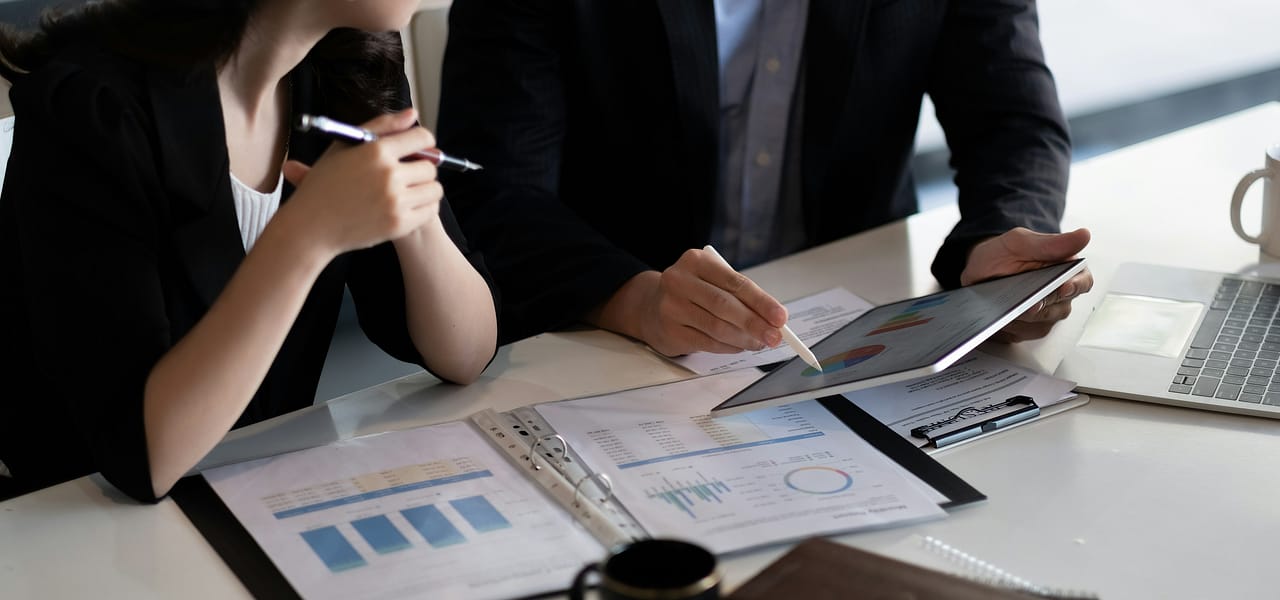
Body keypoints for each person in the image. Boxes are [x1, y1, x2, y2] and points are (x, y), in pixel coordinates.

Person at [0, 0, 498, 503]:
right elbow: (142, 457)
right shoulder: (93, 105)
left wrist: (416, 212)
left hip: (256, 493)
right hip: (75, 519)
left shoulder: (349, 66)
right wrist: (308, 234)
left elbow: (467, 354)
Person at [435, 0, 1093, 356]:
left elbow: (1013, 121)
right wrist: (634, 299)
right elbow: (491, 184)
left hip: (858, 323)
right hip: (601, 336)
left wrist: (1000, 245)